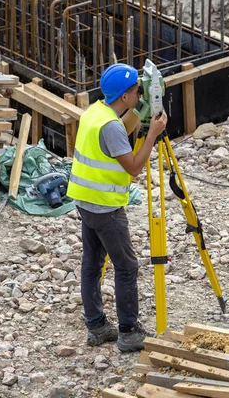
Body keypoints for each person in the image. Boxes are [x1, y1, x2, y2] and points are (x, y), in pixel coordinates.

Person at [66, 63, 168, 352]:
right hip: (105, 208)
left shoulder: (97, 112)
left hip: (85, 201)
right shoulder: (110, 127)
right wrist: (153, 135)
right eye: (138, 90)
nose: (141, 91)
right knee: (126, 266)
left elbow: (120, 130)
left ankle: (96, 326)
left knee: (92, 264)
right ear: (124, 96)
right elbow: (134, 167)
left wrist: (140, 110)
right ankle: (128, 332)